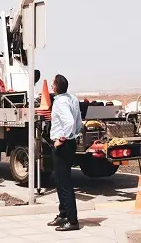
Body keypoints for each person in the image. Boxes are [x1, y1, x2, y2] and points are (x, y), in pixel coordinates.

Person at [46, 74, 82, 232]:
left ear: (56, 87)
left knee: (64, 183)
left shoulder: (60, 102)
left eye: (53, 84)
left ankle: (72, 220)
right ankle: (63, 214)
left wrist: (62, 139)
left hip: (63, 144)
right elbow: (78, 122)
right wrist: (74, 135)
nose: (51, 87)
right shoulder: (72, 99)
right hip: (71, 142)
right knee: (60, 181)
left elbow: (70, 122)